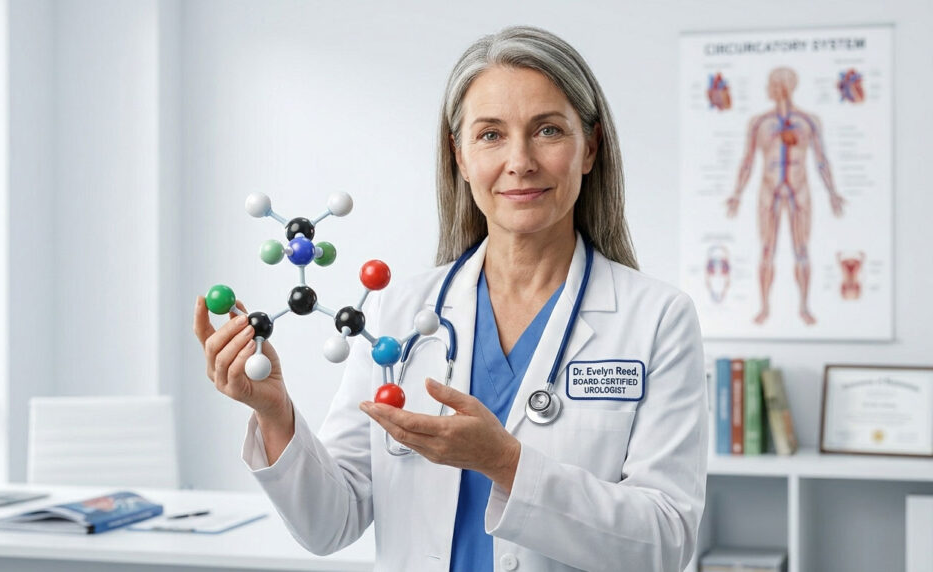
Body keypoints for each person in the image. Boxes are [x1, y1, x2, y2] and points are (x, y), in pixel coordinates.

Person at [194, 26, 707, 572]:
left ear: (591, 148)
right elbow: (330, 523)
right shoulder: (397, 313)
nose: (520, 161)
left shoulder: (657, 320)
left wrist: (505, 464)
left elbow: (666, 542)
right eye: (490, 135)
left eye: (548, 130)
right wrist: (275, 414)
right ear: (459, 156)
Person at [725, 67, 846, 326]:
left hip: (799, 187)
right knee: (767, 249)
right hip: (769, 189)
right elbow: (747, 161)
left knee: (801, 249)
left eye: (772, 84)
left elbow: (821, 160)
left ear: (784, 87)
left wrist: (832, 192)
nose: (769, 89)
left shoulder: (809, 121)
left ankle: (803, 306)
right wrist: (736, 193)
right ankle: (765, 307)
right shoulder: (759, 122)